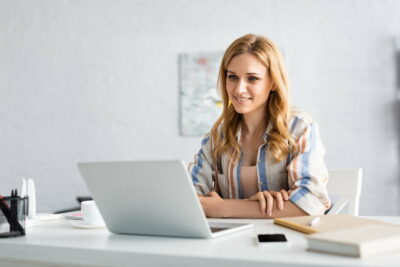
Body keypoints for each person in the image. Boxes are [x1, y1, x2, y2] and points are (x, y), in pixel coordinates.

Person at [188, 34, 331, 218]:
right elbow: (190, 200)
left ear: (272, 82)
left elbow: (310, 204)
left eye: (252, 79)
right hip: (230, 242)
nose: (239, 89)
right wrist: (248, 206)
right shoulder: (216, 137)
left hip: (286, 242)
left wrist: (222, 207)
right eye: (232, 77)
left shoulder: (299, 127)